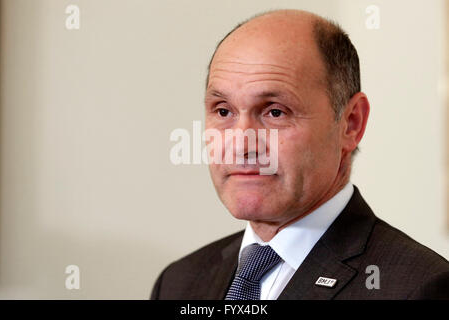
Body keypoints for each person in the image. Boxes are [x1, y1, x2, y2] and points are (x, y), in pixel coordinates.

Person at [151, 9, 449, 300]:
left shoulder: (418, 288)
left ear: (351, 123)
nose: (241, 144)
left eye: (275, 111)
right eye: (223, 110)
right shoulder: (179, 282)